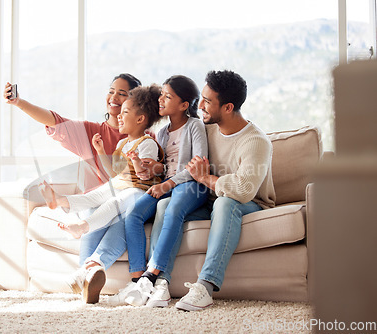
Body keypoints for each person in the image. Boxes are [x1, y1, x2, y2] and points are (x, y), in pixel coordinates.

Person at [171, 70, 276, 311]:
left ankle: (205, 287)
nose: (201, 106)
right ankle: (157, 280)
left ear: (228, 107)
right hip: (207, 201)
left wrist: (205, 177)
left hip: (251, 204)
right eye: (202, 98)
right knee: (169, 205)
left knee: (225, 202)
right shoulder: (206, 129)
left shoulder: (255, 141)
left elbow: (243, 189)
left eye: (208, 102)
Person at [117, 75, 209, 307]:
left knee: (171, 207)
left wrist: (167, 183)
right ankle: (138, 278)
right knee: (134, 214)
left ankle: (153, 274)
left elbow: (197, 166)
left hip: (191, 185)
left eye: (168, 96)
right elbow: (167, 165)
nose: (161, 99)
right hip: (166, 184)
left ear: (184, 105)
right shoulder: (163, 133)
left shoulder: (194, 126)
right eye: (162, 95)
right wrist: (155, 168)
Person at [39, 84, 164, 240]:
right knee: (93, 196)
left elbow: (145, 175)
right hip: (122, 185)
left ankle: (81, 227)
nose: (119, 115)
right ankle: (58, 201)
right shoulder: (122, 144)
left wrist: (137, 161)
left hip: (139, 191)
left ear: (140, 119)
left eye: (125, 112)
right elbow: (114, 174)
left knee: (113, 203)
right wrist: (101, 152)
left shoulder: (148, 143)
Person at [4, 73, 142, 191]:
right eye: (111, 91)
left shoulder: (143, 136)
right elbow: (54, 120)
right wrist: (19, 102)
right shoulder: (91, 132)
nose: (114, 97)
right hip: (94, 203)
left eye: (122, 94)